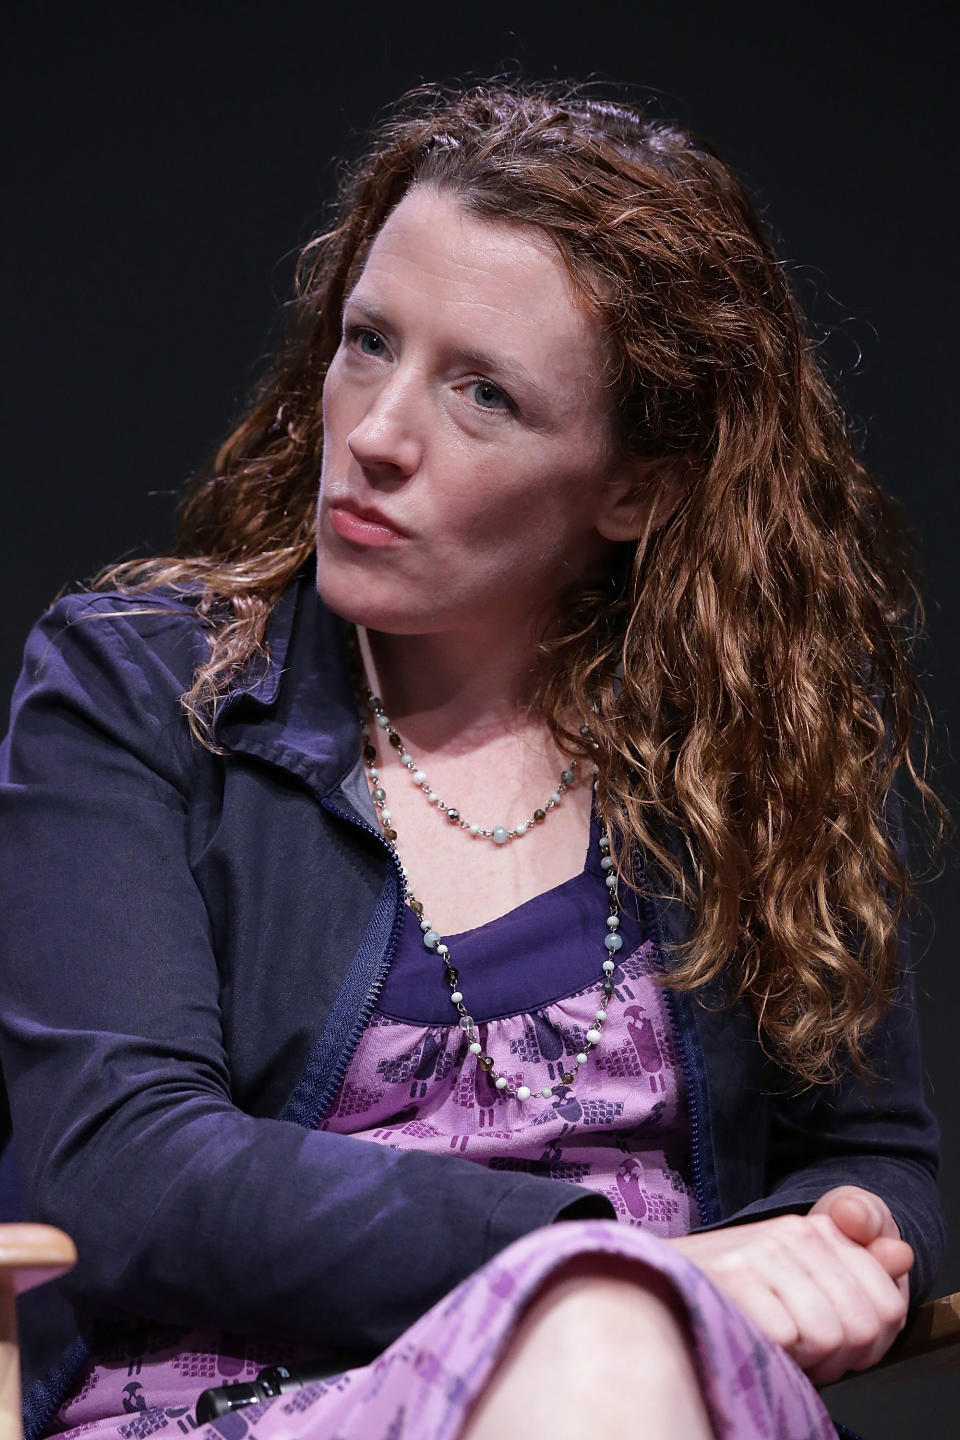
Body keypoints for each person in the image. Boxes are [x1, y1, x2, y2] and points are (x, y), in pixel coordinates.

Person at [0, 79, 946, 1440]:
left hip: (663, 1395)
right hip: (234, 1411)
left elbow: (870, 1159)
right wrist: (609, 1270)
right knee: (605, 1350)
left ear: (639, 486)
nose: (377, 433)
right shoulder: (141, 685)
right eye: (368, 343)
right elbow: (132, 1170)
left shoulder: (759, 743)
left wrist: (839, 1246)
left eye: (483, 393)